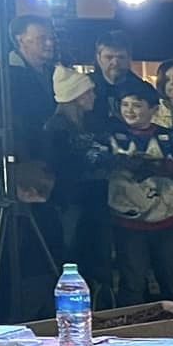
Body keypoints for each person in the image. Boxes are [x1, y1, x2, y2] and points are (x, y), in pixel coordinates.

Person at [97, 84, 173, 305]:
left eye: (137, 105)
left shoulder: (170, 138)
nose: (129, 110)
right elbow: (93, 161)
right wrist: (117, 160)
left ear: (153, 109)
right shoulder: (111, 138)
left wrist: (161, 166)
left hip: (166, 222)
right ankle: (134, 335)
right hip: (128, 224)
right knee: (132, 284)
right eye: (125, 105)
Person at [44, 64, 113, 298]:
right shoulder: (56, 129)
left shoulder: (91, 124)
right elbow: (63, 166)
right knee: (72, 254)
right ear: (75, 96)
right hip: (71, 202)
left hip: (95, 200)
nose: (93, 96)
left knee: (97, 255)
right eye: (88, 92)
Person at [87, 29, 153, 120]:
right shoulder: (85, 88)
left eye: (121, 57)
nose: (115, 62)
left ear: (129, 59)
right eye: (109, 57)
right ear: (98, 58)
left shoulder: (143, 90)